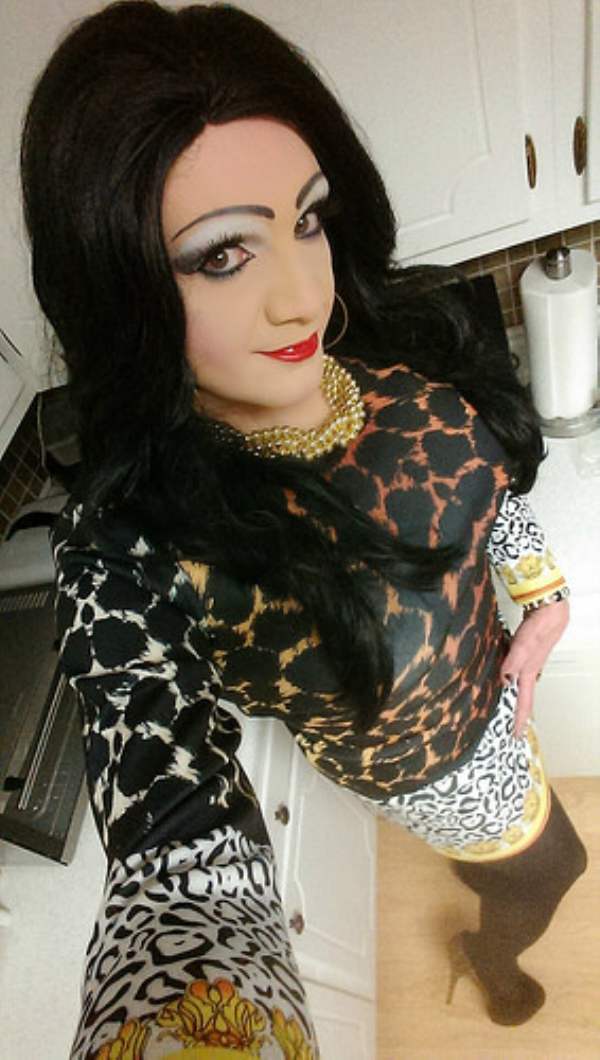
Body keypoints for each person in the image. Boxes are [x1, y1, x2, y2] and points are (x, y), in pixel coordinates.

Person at [20, 2, 587, 1057]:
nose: (301, 296)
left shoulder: (381, 341)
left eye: (308, 219)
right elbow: (177, 862)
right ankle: (494, 960)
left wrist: (542, 598)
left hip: (498, 700)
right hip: (442, 769)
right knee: (557, 868)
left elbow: (486, 491)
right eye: (221, 255)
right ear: (122, 290)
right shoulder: (142, 550)